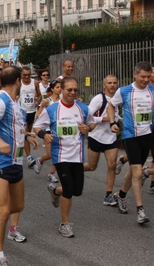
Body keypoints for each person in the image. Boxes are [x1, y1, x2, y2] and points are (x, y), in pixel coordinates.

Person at [0, 66, 38, 265]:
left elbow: (13, 129)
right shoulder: (1, 101)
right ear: (18, 80)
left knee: (17, 205)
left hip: (15, 161)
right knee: (3, 209)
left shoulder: (15, 105)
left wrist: (27, 135)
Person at [33, 76, 95, 238]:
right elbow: (36, 126)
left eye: (75, 89)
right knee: (69, 189)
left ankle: (56, 191)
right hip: (60, 155)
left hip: (77, 155)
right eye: (69, 89)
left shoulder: (82, 108)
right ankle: (64, 224)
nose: (73, 92)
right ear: (61, 90)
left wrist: (87, 128)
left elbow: (92, 123)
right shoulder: (52, 109)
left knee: (77, 190)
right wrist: (45, 134)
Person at [107, 61, 154, 224]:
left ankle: (120, 195)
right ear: (135, 74)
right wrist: (113, 122)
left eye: (148, 77)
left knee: (136, 171)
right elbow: (111, 106)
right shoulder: (125, 91)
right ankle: (140, 211)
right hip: (131, 136)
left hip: (149, 134)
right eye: (143, 77)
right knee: (138, 172)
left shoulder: (153, 90)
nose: (146, 80)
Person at [83, 75, 120, 206]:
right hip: (96, 136)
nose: (112, 85)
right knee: (91, 166)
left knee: (112, 165)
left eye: (115, 83)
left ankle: (108, 195)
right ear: (104, 85)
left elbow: (116, 115)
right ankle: (74, 170)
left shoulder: (117, 99)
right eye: (109, 83)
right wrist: (103, 119)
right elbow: (88, 115)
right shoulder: (99, 99)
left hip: (111, 137)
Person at [33, 79, 62, 183]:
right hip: (48, 130)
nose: (60, 89)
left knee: (58, 154)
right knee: (50, 154)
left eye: (61, 87)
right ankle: (40, 160)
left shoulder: (63, 100)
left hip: (59, 129)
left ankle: (51, 174)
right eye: (57, 87)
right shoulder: (47, 101)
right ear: (52, 89)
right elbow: (38, 113)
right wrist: (45, 116)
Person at [18, 66, 42, 168]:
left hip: (31, 111)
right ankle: (28, 157)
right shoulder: (18, 83)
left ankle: (21, 155)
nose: (27, 77)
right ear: (21, 75)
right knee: (26, 133)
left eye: (28, 74)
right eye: (24, 75)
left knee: (25, 133)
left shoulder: (35, 83)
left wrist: (37, 101)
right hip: (22, 112)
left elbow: (39, 95)